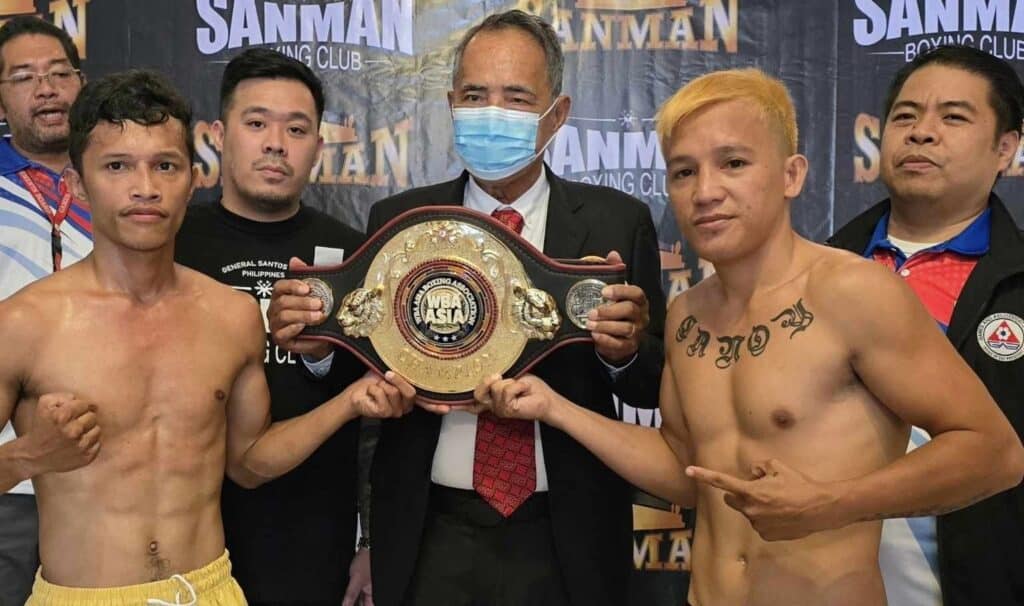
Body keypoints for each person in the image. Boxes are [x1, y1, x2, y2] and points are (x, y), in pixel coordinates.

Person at [474, 67, 1024, 606]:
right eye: (683, 173)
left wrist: (834, 503)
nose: (706, 191)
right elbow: (687, 468)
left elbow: (994, 452)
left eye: (733, 163)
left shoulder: (854, 292)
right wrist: (554, 408)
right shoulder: (689, 315)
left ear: (792, 175)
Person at [268, 9, 666, 606]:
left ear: (555, 114)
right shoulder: (399, 223)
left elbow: (648, 388)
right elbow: (361, 376)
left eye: (515, 97)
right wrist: (320, 349)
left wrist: (622, 353)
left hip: (568, 532)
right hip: (429, 528)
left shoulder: (616, 223)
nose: (491, 112)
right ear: (452, 104)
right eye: (476, 95)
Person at [0, 69, 414, 605]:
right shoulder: (24, 323)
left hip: (212, 590)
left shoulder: (231, 314)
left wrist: (350, 402)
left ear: (194, 177)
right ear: (78, 184)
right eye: (117, 166)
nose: (144, 187)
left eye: (165, 166)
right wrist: (29, 456)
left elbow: (248, 462)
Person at [174, 48, 375, 606]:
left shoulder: (356, 256)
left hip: (316, 540)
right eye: (256, 122)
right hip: (188, 537)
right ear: (217, 133)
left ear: (317, 145)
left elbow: (378, 421)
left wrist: (372, 541)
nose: (275, 144)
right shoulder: (170, 243)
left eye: (297, 128)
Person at [828, 45, 1024, 606]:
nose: (921, 132)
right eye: (906, 116)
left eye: (954, 117)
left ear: (1005, 148)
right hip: (825, 581)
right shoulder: (813, 269)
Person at [0, 16, 89, 605]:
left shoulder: (124, 187)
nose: (47, 89)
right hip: (9, 484)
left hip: (102, 476)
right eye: (26, 77)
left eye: (60, 73)